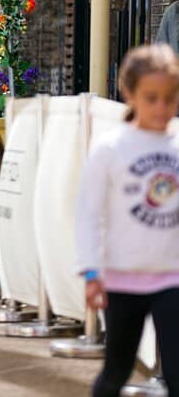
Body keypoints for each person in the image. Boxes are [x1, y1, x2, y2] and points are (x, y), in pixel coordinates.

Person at [76, 44, 179, 397]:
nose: (162, 108)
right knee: (116, 372)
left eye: (170, 98)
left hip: (173, 279)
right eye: (151, 98)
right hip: (122, 280)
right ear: (129, 94)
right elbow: (88, 214)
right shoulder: (111, 148)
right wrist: (91, 273)